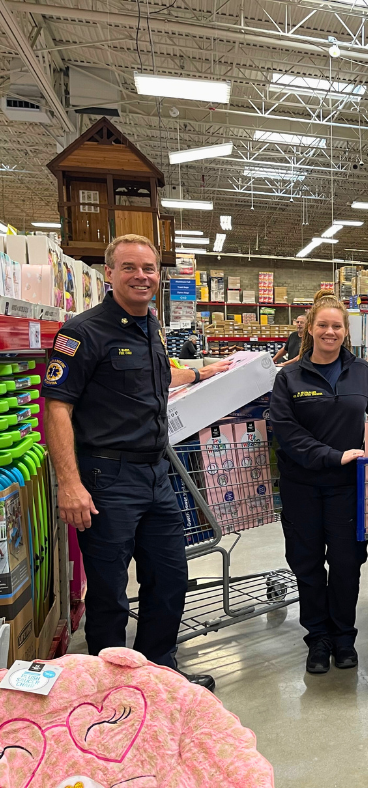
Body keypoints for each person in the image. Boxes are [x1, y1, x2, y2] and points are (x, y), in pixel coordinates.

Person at [43, 234, 233, 690]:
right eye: (129, 267)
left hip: (156, 474)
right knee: (109, 590)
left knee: (169, 578)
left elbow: (157, 377)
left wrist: (202, 373)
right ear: (109, 273)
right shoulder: (81, 332)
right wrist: (69, 483)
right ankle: (110, 688)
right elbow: (56, 408)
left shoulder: (150, 325)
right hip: (106, 477)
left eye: (149, 268)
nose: (141, 276)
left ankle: (159, 675)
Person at [269, 289, 368, 674]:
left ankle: (343, 637)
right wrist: (334, 455)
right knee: (306, 564)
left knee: (345, 564)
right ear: (309, 328)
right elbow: (286, 431)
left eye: (336, 325)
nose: (330, 332)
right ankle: (317, 639)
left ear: (345, 330)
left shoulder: (362, 372)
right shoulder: (288, 376)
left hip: (347, 488)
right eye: (323, 325)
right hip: (301, 485)